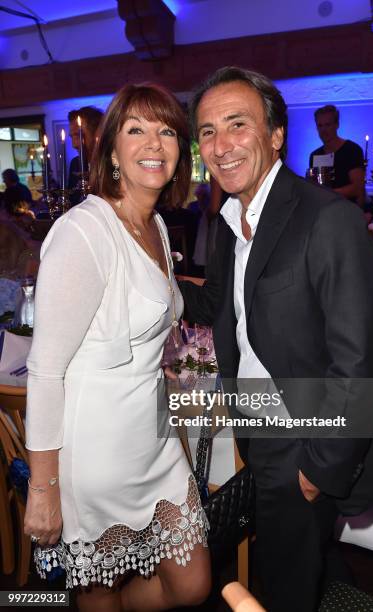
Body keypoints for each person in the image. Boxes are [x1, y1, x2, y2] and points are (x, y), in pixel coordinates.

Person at [179, 66, 373, 612]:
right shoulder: (233, 221)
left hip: (304, 443)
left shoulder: (326, 219)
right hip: (258, 427)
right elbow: (219, 306)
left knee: (282, 589)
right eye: (208, 131)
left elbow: (362, 362)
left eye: (238, 124)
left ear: (276, 134)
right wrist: (150, 272)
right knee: (307, 563)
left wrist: (317, 470)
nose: (222, 144)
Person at [24, 83, 211, 612]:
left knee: (192, 582)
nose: (154, 142)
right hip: (94, 448)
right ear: (110, 150)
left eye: (167, 130)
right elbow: (44, 370)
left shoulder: (152, 223)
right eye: (137, 129)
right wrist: (44, 489)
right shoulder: (83, 231)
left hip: (151, 439)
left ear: (180, 153)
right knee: (97, 593)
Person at [309, 105, 365, 205]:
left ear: (337, 125)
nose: (323, 130)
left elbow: (358, 188)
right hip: (324, 212)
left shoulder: (352, 150)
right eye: (320, 126)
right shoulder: (314, 155)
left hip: (347, 211)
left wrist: (328, 194)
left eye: (327, 125)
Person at [67, 106, 104, 205]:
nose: (74, 145)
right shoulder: (75, 164)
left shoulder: (114, 164)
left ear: (97, 134)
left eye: (78, 135)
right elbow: (72, 202)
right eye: (72, 137)